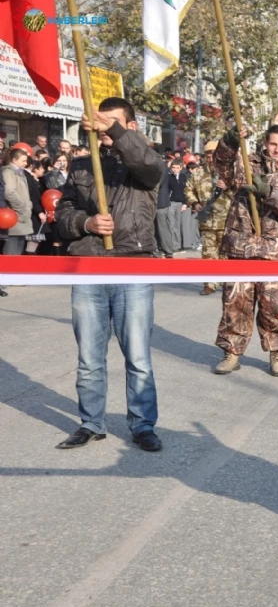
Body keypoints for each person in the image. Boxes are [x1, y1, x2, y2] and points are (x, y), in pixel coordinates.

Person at [54, 97, 167, 452]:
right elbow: (62, 216)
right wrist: (85, 222)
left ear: (130, 127)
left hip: (132, 267)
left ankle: (143, 424)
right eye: (99, 124)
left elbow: (147, 164)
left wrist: (112, 130)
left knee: (138, 358)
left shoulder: (144, 164)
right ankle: (91, 422)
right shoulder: (83, 166)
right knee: (89, 358)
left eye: (112, 124)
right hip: (89, 269)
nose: (103, 131)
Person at [212, 124, 278, 377]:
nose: (276, 149)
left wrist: (269, 192)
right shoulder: (245, 162)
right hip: (241, 245)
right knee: (235, 303)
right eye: (273, 143)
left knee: (275, 306)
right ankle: (232, 352)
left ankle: (277, 353)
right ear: (265, 142)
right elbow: (221, 166)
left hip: (273, 250)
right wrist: (230, 142)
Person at [187, 142, 226, 295]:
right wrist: (195, 202)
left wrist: (228, 187)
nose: (210, 157)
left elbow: (240, 191)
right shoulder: (198, 172)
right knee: (208, 254)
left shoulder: (228, 172)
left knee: (226, 254)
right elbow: (188, 189)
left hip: (225, 219)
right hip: (207, 220)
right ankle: (210, 283)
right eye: (208, 154)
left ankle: (227, 280)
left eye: (213, 153)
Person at [1, 148, 32, 255]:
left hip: (22, 218)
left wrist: (28, 205)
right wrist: (22, 207)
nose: (26, 163)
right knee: (11, 253)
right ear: (14, 160)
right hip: (14, 217)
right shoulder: (8, 172)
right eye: (23, 161)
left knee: (18, 253)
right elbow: (9, 192)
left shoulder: (20, 173)